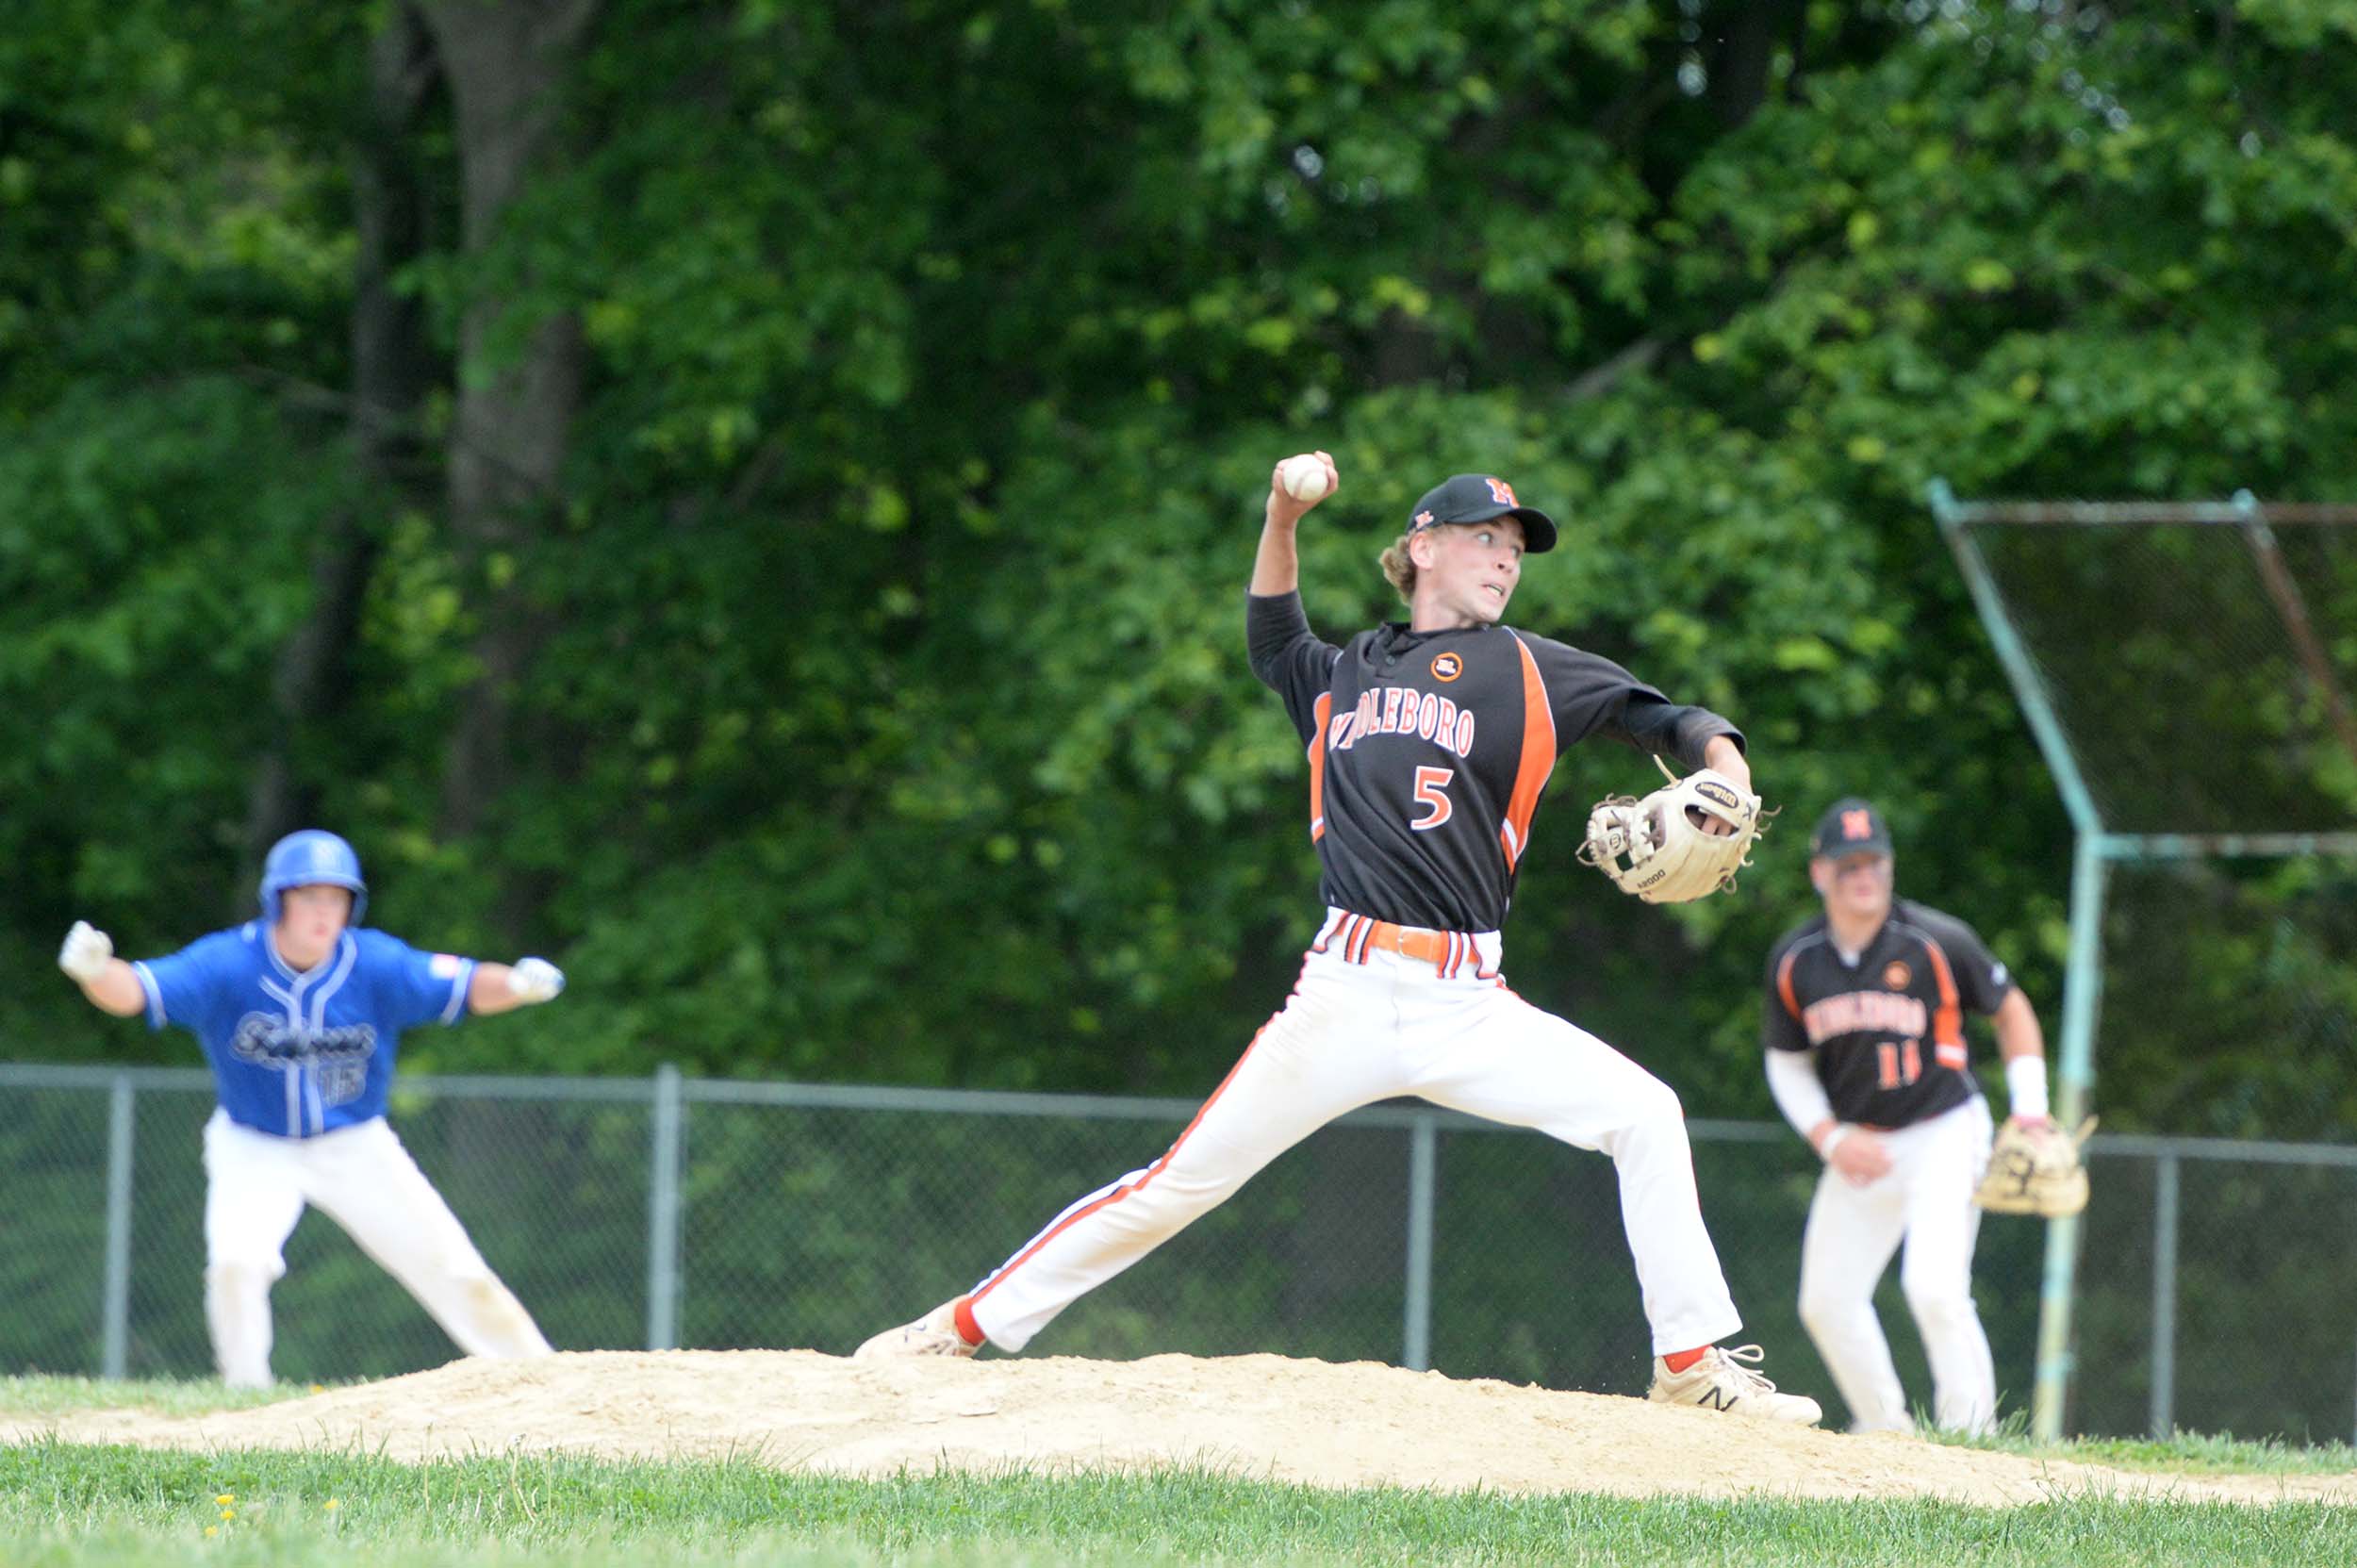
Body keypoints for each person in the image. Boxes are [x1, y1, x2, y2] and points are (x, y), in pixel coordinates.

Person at [854, 455, 1821, 1425]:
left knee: (1645, 1113)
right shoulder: (1341, 673)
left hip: (1468, 1002)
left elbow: (1664, 717)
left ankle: (1688, 1364)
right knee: (1177, 1183)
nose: (1506, 559)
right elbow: (1273, 633)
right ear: (1422, 548)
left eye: (1516, 547)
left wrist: (1728, 772)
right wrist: (1282, 514)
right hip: (1343, 993)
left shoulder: (1532, 669)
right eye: (1486, 538)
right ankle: (963, 1325)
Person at [58, 829, 567, 1387]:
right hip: (254, 1143)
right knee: (237, 1263)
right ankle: (245, 1393)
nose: (326, 911)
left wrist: (516, 985)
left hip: (355, 1143)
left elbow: (463, 984)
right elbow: (137, 990)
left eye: (337, 897)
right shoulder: (228, 962)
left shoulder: (375, 963)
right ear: (279, 900)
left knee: (452, 1265)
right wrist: (96, 973)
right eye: (311, 896)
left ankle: (540, 1378)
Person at [1761, 798, 2053, 1433]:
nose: (1863, 875)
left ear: (1890, 867)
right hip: (1862, 1144)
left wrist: (2031, 1110)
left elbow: (2010, 1009)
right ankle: (1887, 1432)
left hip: (1944, 1130)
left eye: (1874, 861)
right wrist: (1829, 1138)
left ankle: (1971, 1437)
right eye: (1848, 864)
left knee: (1934, 1288)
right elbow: (1786, 1062)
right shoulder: (1796, 959)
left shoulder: (1935, 941)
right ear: (1819, 873)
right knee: (1826, 1301)